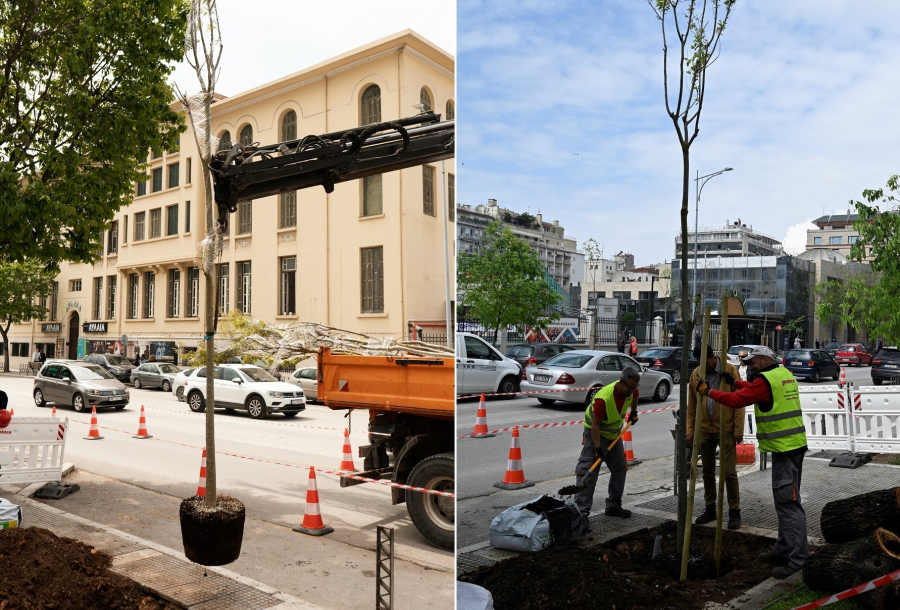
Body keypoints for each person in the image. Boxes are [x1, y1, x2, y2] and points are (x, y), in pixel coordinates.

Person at [696, 346, 808, 579]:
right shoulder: (783, 374)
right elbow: (755, 391)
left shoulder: (765, 379)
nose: (749, 366)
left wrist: (709, 392)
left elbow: (738, 401)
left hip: (785, 449)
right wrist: (735, 382)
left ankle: (798, 559)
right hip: (792, 446)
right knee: (784, 502)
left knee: (789, 504)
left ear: (765, 360)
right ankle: (783, 549)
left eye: (753, 362)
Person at [687, 345, 745, 530]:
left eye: (705, 363)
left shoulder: (729, 370)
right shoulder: (696, 374)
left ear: (713, 357)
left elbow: (739, 400)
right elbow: (692, 405)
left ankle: (734, 511)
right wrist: (690, 430)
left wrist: (738, 429)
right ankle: (710, 508)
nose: (703, 367)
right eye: (698, 363)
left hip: (726, 428)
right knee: (707, 472)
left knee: (729, 472)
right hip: (704, 429)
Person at [573, 367, 641, 519]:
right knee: (589, 470)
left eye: (634, 387)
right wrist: (598, 450)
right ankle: (580, 514)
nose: (632, 391)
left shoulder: (632, 390)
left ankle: (613, 506)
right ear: (621, 383)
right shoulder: (604, 399)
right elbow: (595, 425)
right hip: (595, 433)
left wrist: (634, 413)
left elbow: (635, 396)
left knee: (620, 468)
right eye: (630, 387)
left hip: (613, 434)